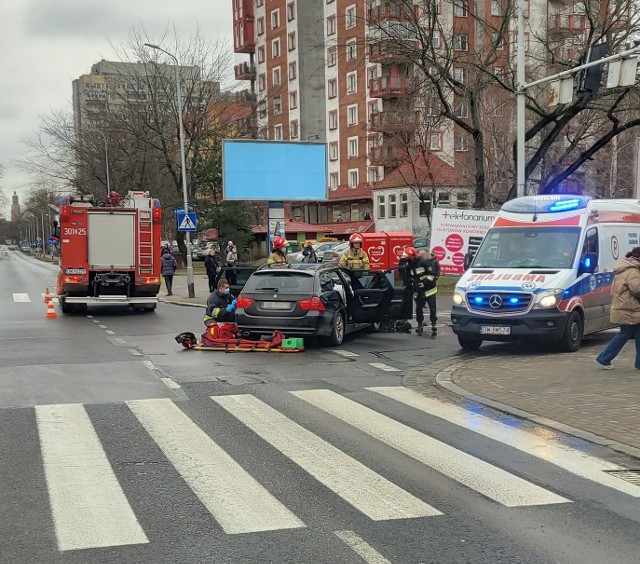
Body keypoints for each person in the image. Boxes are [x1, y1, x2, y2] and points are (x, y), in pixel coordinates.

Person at [595, 247, 640, 369]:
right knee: (624, 334)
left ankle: (639, 363)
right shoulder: (633, 272)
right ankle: (604, 358)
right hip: (630, 310)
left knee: (631, 333)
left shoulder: (624, 269)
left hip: (626, 309)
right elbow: (638, 289)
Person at [402, 247, 439, 335]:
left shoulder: (424, 262)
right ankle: (419, 324)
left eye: (407, 257)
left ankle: (433, 324)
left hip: (429, 289)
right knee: (418, 308)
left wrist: (424, 283)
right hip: (419, 290)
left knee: (432, 308)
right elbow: (408, 276)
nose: (406, 258)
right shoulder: (409, 264)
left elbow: (432, 275)